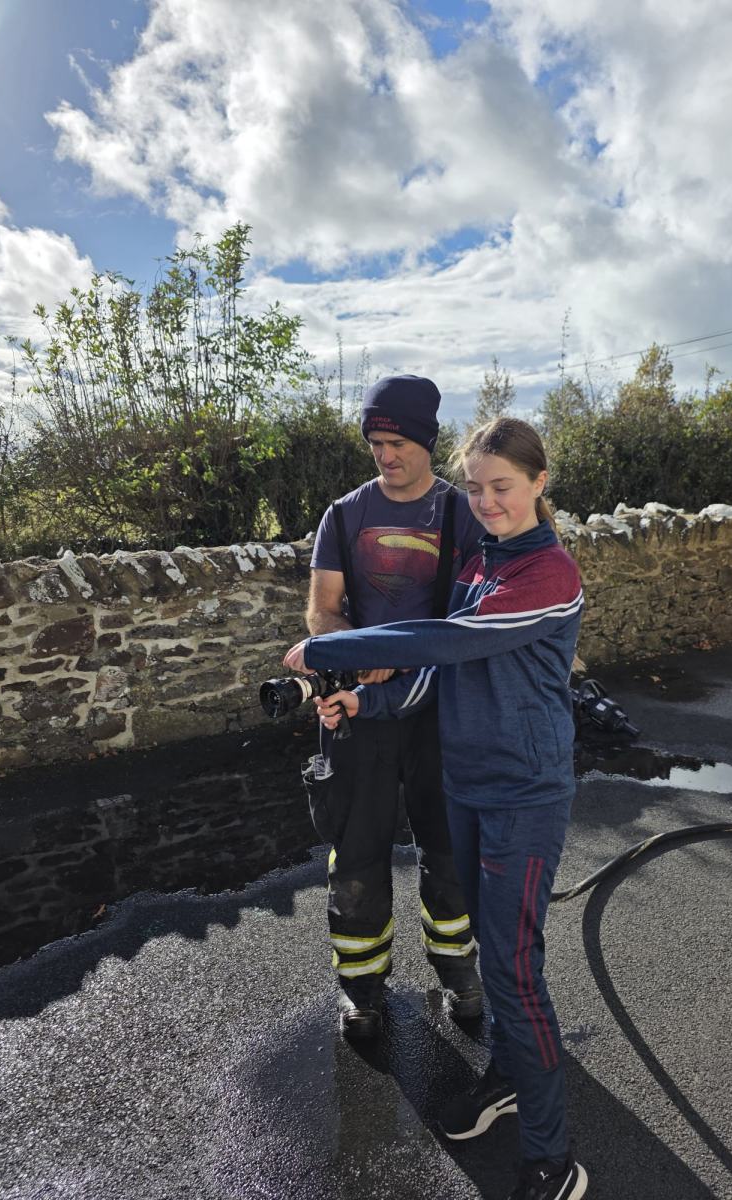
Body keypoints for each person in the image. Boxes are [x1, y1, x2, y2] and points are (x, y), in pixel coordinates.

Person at [284, 417, 589, 1200]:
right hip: (469, 785)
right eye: (477, 487)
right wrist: (364, 703)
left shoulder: (548, 573)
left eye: (503, 487)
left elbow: (442, 643)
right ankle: (509, 1074)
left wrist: (326, 649)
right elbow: (439, 674)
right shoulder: (482, 563)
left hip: (524, 795)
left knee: (515, 973)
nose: (486, 502)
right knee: (497, 952)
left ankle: (553, 1159)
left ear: (539, 484)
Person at [294, 374, 485, 1040]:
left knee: (450, 848)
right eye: (376, 442)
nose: (386, 454)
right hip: (358, 709)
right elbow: (322, 611)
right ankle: (362, 991)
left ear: (427, 440)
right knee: (356, 855)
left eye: (398, 441)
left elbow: (475, 620)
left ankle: (460, 976)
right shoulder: (344, 515)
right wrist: (360, 652)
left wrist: (398, 657)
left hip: (442, 711)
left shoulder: (464, 514)